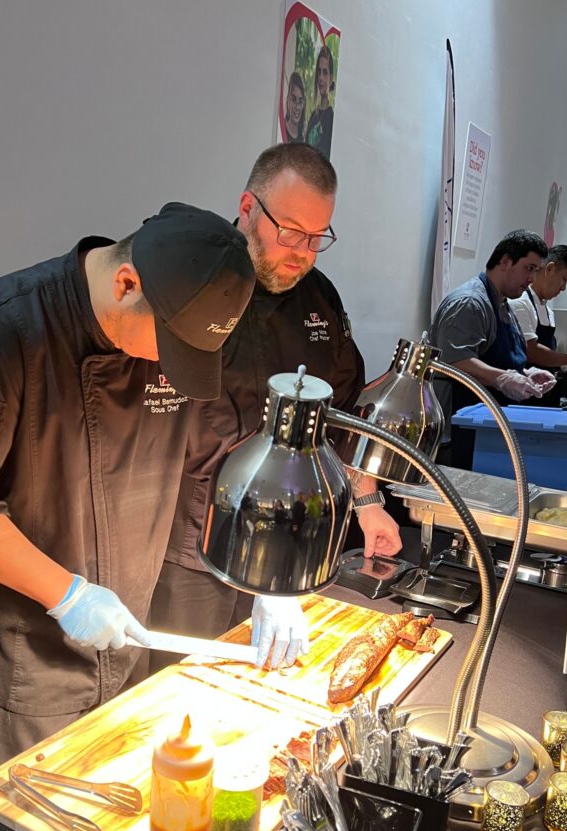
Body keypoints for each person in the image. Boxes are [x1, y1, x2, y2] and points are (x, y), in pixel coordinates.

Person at [0, 203, 256, 783]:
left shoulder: (166, 329)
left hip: (126, 646)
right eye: (168, 345)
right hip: (25, 672)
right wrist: (67, 595)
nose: (168, 364)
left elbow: (210, 461)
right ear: (126, 284)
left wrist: (263, 580)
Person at [147, 144, 401, 675]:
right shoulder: (196, 282)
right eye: (290, 232)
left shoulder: (318, 298)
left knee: (272, 680)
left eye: (317, 238)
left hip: (291, 535)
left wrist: (366, 499)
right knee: (191, 683)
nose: (303, 253)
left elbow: (340, 411)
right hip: (195, 544)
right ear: (248, 207)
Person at [428, 229, 554, 468]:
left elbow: (497, 358)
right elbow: (455, 361)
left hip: (486, 430)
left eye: (536, 271)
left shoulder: (502, 304)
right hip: (457, 430)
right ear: (505, 261)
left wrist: (525, 374)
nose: (532, 279)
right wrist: (504, 379)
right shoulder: (469, 303)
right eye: (529, 268)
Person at [508, 244, 567, 381]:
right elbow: (531, 351)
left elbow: (549, 352)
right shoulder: (520, 302)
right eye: (564, 279)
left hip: (543, 387)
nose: (563, 288)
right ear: (550, 269)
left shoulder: (549, 312)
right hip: (521, 386)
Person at [305, 46, 334, 159]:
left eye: (325, 72)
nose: (321, 78)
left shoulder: (331, 117)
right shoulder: (313, 116)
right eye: (319, 71)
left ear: (331, 78)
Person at [284, 71, 306, 143]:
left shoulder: (303, 138)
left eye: (300, 101)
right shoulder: (281, 130)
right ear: (288, 100)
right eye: (293, 99)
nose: (297, 107)